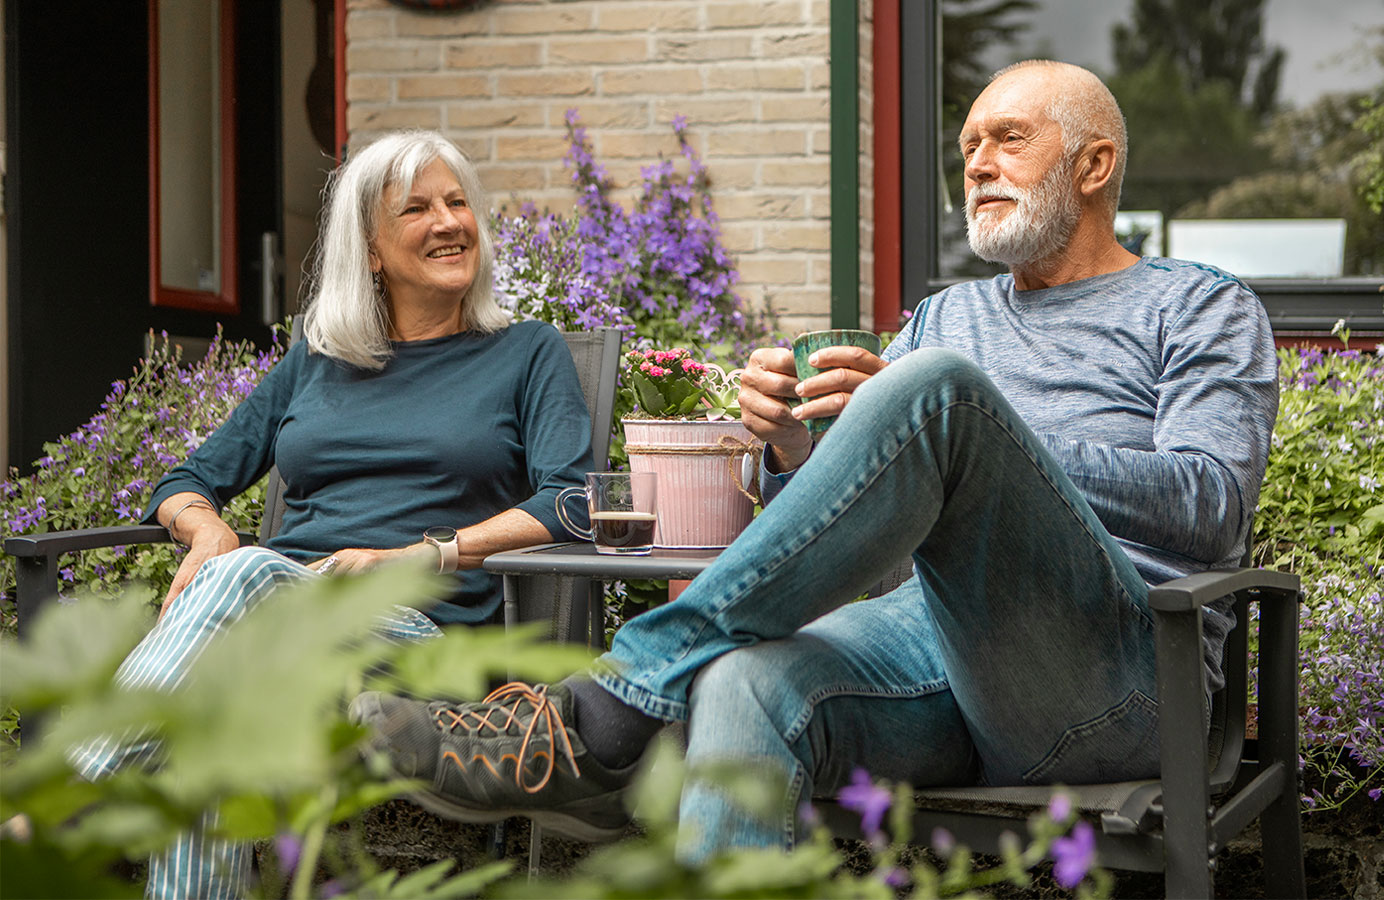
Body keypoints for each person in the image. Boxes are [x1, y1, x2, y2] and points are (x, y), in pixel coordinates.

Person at [352, 60, 1278, 861]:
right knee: (744, 684)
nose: (978, 165)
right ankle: (637, 711)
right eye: (967, 149)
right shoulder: (949, 313)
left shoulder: (1197, 305)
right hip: (939, 660)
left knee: (940, 392)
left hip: (1114, 680)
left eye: (1008, 140)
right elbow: (864, 549)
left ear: (1095, 165)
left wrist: (980, 437)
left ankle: (612, 706)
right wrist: (794, 447)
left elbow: (1211, 506)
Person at [70, 130, 594, 898]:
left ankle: (65, 802)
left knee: (246, 577)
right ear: (372, 250)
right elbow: (189, 479)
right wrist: (207, 527)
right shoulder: (316, 360)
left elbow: (570, 500)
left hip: (424, 640)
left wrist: (423, 555)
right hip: (279, 620)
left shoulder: (526, 354)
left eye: (458, 203)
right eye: (417, 209)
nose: (449, 221)